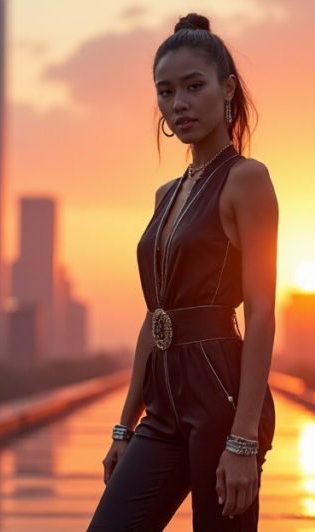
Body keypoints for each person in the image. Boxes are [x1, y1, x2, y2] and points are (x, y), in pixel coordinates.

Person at [87, 13, 278, 532]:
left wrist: (243, 439)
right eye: (166, 92)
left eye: (194, 87)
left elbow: (260, 313)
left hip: (220, 388)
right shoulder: (165, 194)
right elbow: (156, 317)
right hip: (163, 399)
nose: (179, 104)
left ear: (228, 89)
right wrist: (125, 426)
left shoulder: (247, 180)